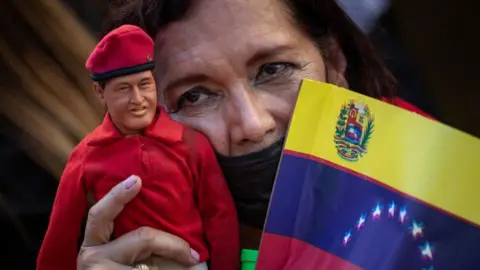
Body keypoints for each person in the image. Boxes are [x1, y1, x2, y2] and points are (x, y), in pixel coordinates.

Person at [75, 0, 433, 269]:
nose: (252, 124)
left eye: (274, 69)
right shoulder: (152, 252)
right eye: (195, 96)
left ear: (335, 62)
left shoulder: (451, 200)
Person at [37, 24, 239, 270]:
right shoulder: (87, 154)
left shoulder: (190, 142)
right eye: (124, 89)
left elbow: (220, 216)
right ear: (100, 92)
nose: (138, 100)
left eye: (144, 84)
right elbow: (62, 229)